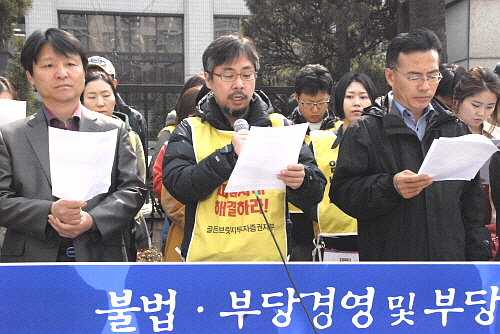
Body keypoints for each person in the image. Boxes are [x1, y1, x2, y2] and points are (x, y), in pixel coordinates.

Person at [329, 28, 492, 261]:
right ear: (390, 76)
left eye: (433, 76)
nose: (425, 86)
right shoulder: (365, 130)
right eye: (414, 77)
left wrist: (477, 259)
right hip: (391, 269)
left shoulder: (456, 129)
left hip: (449, 265)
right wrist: (390, 186)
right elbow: (343, 194)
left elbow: (471, 205)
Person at [162, 33, 326, 262]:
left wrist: (302, 181)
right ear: (209, 80)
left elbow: (315, 191)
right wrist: (228, 156)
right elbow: (178, 185)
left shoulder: (280, 126)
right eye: (228, 75)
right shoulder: (190, 129)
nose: (239, 84)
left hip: (270, 265)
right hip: (205, 265)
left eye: (247, 75)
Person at [0, 28, 146, 262]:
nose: (61, 73)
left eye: (70, 64)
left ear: (83, 71)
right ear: (30, 76)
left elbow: (133, 190)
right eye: (48, 66)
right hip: (31, 264)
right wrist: (48, 212)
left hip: (101, 258)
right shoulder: (10, 136)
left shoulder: (113, 129)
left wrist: (92, 219)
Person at [309, 71, 378, 260]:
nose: (357, 103)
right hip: (332, 238)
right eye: (349, 97)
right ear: (339, 100)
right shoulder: (319, 141)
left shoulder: (385, 141)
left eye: (363, 97)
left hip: (375, 234)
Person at [81, 71, 149, 259]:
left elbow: (139, 183)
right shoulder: (73, 135)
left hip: (121, 225)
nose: (100, 103)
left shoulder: (130, 136)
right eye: (92, 97)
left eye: (106, 95)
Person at [285, 64, 340, 261]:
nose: (315, 109)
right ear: (297, 97)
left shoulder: (340, 130)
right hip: (295, 219)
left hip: (333, 218)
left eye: (321, 102)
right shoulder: (285, 130)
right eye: (308, 103)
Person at [453, 66, 500, 254]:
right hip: (459, 222)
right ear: (458, 101)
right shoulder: (444, 133)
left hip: (492, 217)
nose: (481, 113)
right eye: (475, 105)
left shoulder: (496, 134)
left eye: (490, 107)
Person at [87, 56, 148, 158]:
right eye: (90, 77)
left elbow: (140, 169)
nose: (97, 80)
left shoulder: (133, 118)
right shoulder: (69, 118)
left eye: (103, 76)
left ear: (114, 84)